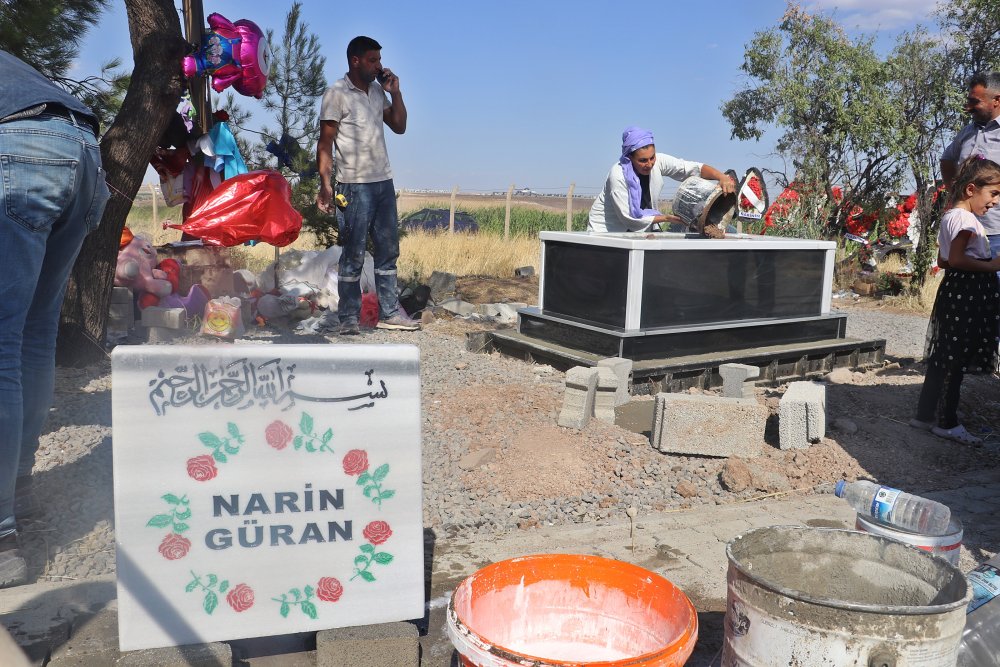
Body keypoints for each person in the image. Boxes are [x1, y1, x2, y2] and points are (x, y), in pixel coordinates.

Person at [0, 49, 109, 588]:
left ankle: (0, 536)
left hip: (19, 150)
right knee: (34, 337)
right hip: (84, 154)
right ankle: (18, 490)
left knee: (1, 347)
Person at [316, 36, 419, 335]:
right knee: (354, 253)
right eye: (373, 60)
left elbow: (399, 126)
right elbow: (325, 144)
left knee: (388, 251)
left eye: (379, 60)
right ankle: (348, 317)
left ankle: (389, 313)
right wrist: (325, 185)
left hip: (382, 183)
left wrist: (395, 93)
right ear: (355, 61)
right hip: (353, 186)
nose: (379, 66)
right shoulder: (336, 93)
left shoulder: (377, 91)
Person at [911, 157, 1000, 445]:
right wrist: (991, 265)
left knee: (945, 355)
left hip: (955, 289)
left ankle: (925, 416)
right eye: (994, 194)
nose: (995, 203)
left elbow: (944, 260)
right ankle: (947, 422)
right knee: (956, 358)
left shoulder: (950, 216)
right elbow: (959, 259)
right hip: (968, 294)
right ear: (972, 189)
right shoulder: (966, 221)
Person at [588, 126, 736, 233]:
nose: (649, 164)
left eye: (652, 157)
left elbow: (691, 168)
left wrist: (721, 177)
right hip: (607, 231)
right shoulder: (618, 175)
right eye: (643, 160)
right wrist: (666, 218)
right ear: (629, 158)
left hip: (642, 230)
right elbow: (629, 218)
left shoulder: (658, 162)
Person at [941, 72, 1000, 257]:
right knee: (965, 282)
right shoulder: (967, 132)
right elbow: (947, 160)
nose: (969, 107)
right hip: (964, 227)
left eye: (975, 102)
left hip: (996, 232)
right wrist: (956, 194)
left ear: (996, 100)